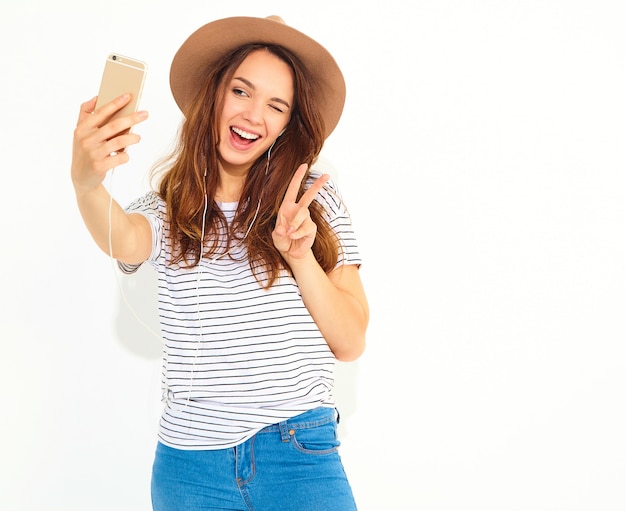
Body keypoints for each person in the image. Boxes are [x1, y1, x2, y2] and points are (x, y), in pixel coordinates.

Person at [71, 14, 369, 511]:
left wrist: (300, 257)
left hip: (299, 455)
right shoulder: (167, 210)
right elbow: (122, 238)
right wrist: (86, 182)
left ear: (287, 125)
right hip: (191, 469)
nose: (254, 115)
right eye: (241, 91)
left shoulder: (315, 199)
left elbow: (351, 341)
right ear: (214, 94)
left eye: (276, 105)